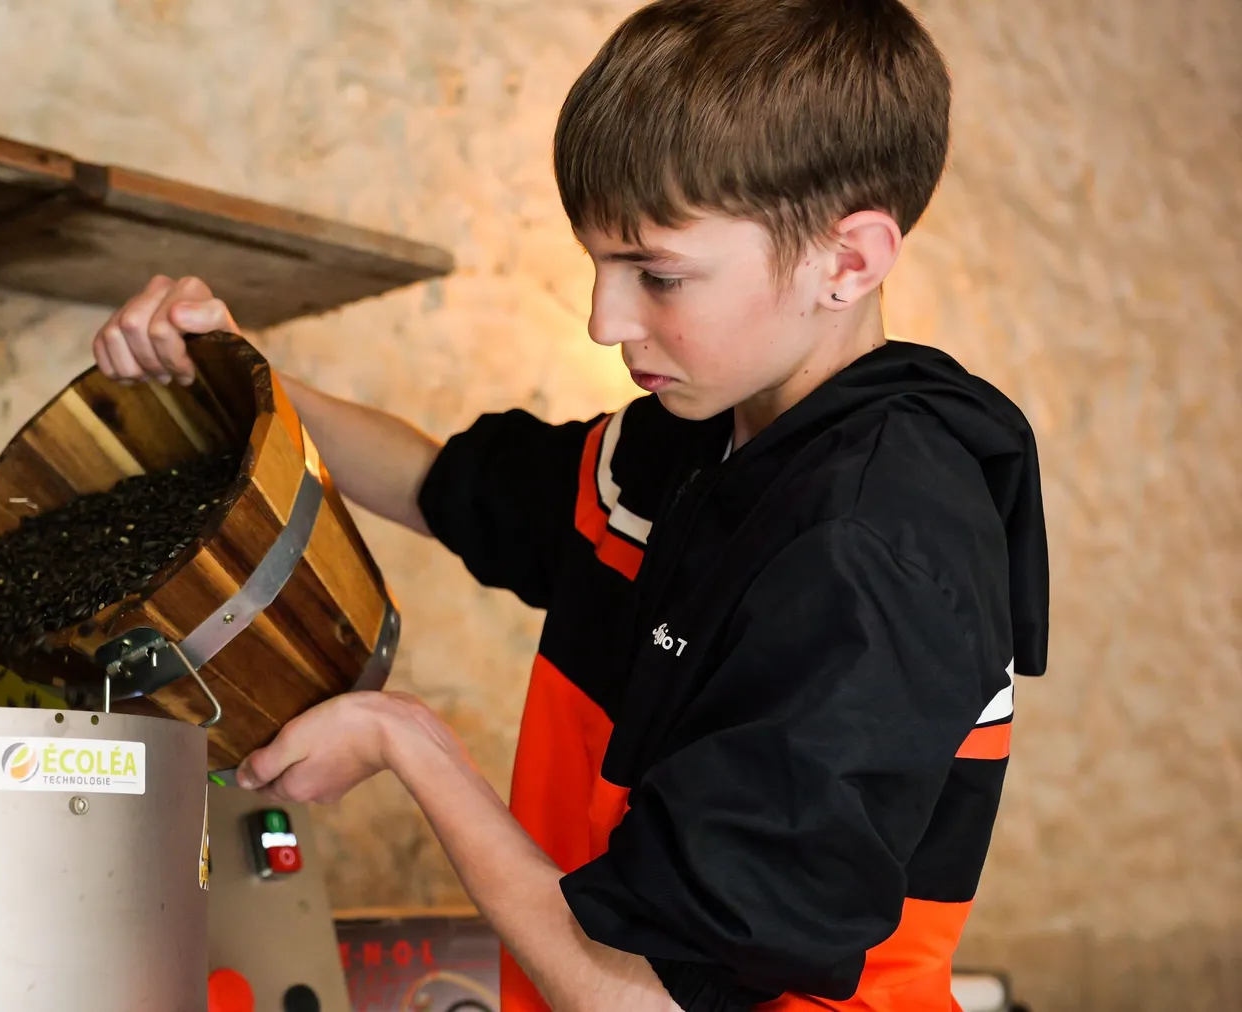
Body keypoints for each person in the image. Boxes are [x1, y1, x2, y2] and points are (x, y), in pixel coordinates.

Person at [92, 1, 1048, 1009]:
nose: (605, 320)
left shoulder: (873, 548)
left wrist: (408, 744)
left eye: (658, 273)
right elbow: (431, 481)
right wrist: (234, 377)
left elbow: (651, 999)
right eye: (597, 263)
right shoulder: (686, 441)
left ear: (847, 261)